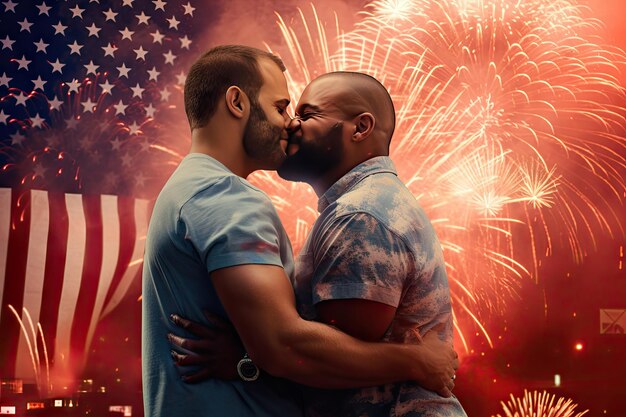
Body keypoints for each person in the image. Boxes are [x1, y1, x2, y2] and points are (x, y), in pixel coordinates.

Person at [142, 45, 458, 417]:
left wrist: (251, 355)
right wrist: (417, 361)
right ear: (237, 103)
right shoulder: (224, 196)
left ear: (361, 127)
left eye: (303, 114)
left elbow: (310, 352)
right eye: (281, 107)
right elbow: (292, 348)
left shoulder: (360, 215)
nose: (289, 123)